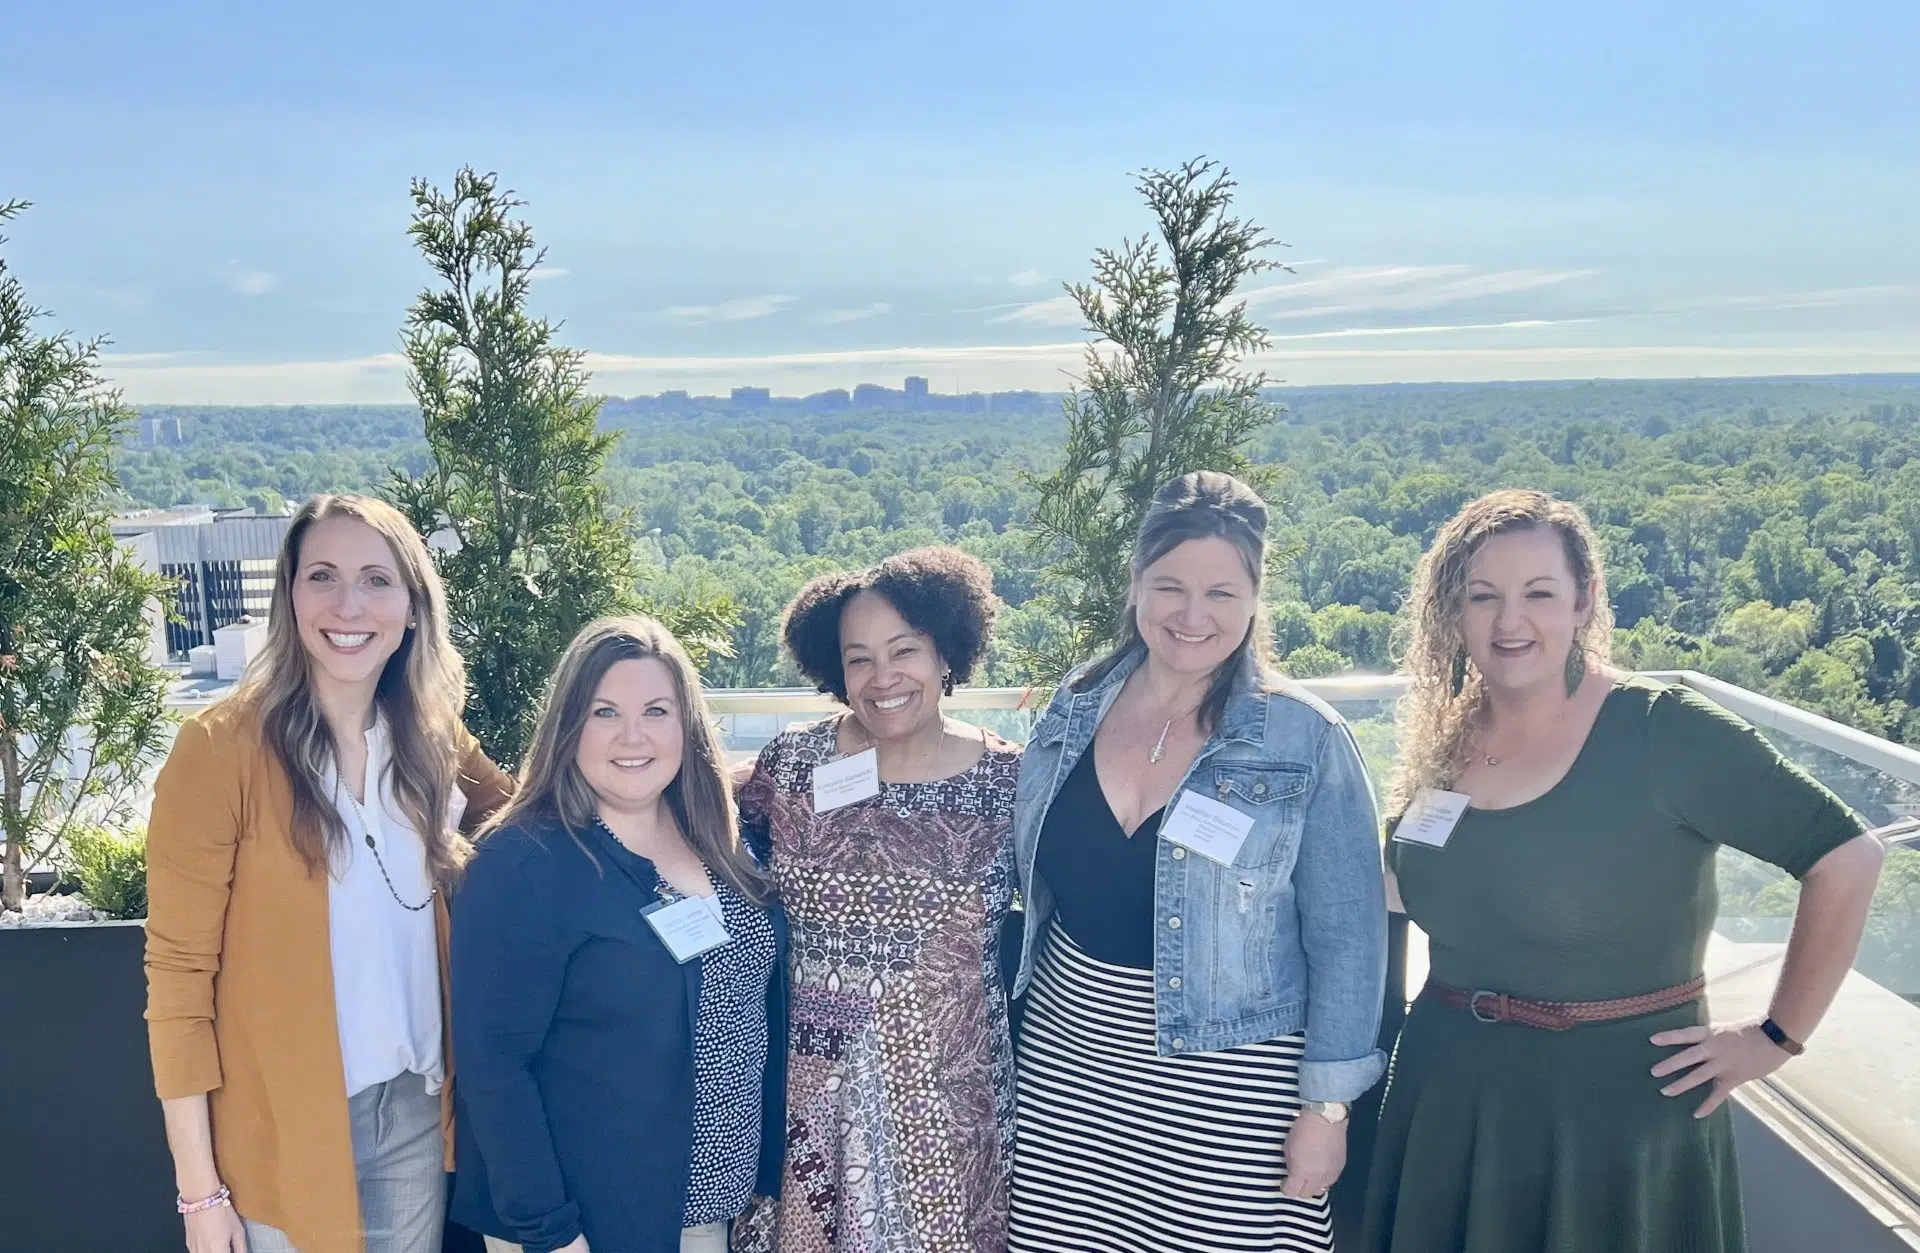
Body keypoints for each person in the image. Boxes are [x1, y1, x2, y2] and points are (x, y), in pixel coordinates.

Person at [1362, 488, 1887, 1253]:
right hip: (1447, 1103)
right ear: (1454, 612)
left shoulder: (1660, 730)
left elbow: (1846, 856)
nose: (1510, 621)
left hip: (1614, 1125)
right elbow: (1414, 885)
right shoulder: (1447, 737)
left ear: (1584, 600)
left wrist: (1776, 1035)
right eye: (1484, 596)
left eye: (1539, 593)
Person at [1007, 470, 1388, 1253]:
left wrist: (1326, 1108)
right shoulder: (1077, 701)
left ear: (1254, 598)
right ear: (1136, 582)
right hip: (1067, 1065)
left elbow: (1349, 936)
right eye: (1171, 587)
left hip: (1231, 1089)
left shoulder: (1306, 738)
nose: (1191, 615)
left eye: (1220, 593)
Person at [146, 494, 515, 1253]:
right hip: (281, 1130)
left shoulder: (433, 738)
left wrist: (690, 792)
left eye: (376, 580)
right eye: (323, 576)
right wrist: (199, 1190)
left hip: (414, 1115)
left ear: (412, 607)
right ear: (289, 595)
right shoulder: (220, 749)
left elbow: (528, 819)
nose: (349, 605)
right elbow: (178, 982)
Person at [449, 616, 787, 1253]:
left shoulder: (721, 839)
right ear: (568, 726)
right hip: (587, 1221)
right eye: (605, 712)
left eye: (656, 711)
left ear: (687, 726)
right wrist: (551, 1232)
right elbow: (493, 1065)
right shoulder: (523, 863)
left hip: (710, 1209)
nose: (633, 736)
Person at [733, 545, 1019, 1253]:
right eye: (858, 658)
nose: (883, 677)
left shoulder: (1010, 783)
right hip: (808, 1098)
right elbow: (706, 830)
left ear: (946, 652)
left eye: (904, 650)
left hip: (946, 1114)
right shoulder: (794, 762)